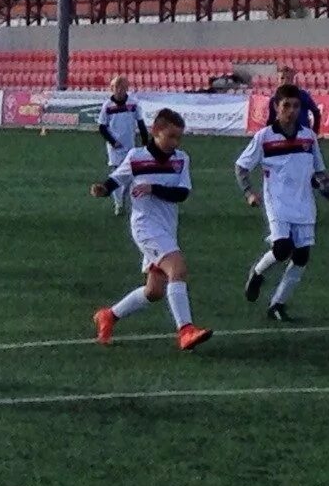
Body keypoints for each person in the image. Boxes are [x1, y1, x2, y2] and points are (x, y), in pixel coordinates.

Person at [89, 108, 213, 351]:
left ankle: (109, 315)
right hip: (145, 226)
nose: (175, 142)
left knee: (154, 291)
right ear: (156, 132)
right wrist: (103, 189)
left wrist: (153, 188)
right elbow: (117, 179)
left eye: (179, 137)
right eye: (171, 136)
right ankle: (186, 330)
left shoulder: (181, 159)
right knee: (177, 268)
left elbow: (183, 193)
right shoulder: (136, 157)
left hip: (167, 228)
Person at [237, 83, 329, 321]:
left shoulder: (308, 137)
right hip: (277, 202)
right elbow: (241, 167)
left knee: (302, 257)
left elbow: (318, 172)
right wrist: (249, 192)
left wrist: (323, 186)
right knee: (282, 249)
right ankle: (257, 273)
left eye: (296, 106)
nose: (291, 110)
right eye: (286, 105)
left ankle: (277, 304)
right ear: (276, 107)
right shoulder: (265, 137)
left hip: (304, 204)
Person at [97, 75, 149, 216]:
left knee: (130, 175)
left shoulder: (133, 103)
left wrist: (145, 142)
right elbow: (102, 127)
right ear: (112, 89)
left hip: (130, 145)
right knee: (116, 174)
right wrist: (113, 141)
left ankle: (130, 201)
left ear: (126, 88)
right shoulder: (107, 106)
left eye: (122, 88)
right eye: (116, 88)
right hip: (115, 147)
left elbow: (140, 123)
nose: (119, 91)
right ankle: (119, 204)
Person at [267, 65, 321, 135]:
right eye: (282, 78)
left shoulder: (302, 95)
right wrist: (267, 134)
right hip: (283, 135)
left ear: (292, 80)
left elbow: (316, 112)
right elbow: (271, 119)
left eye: (288, 78)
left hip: (303, 134)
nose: (285, 81)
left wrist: (315, 131)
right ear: (278, 80)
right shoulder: (274, 99)